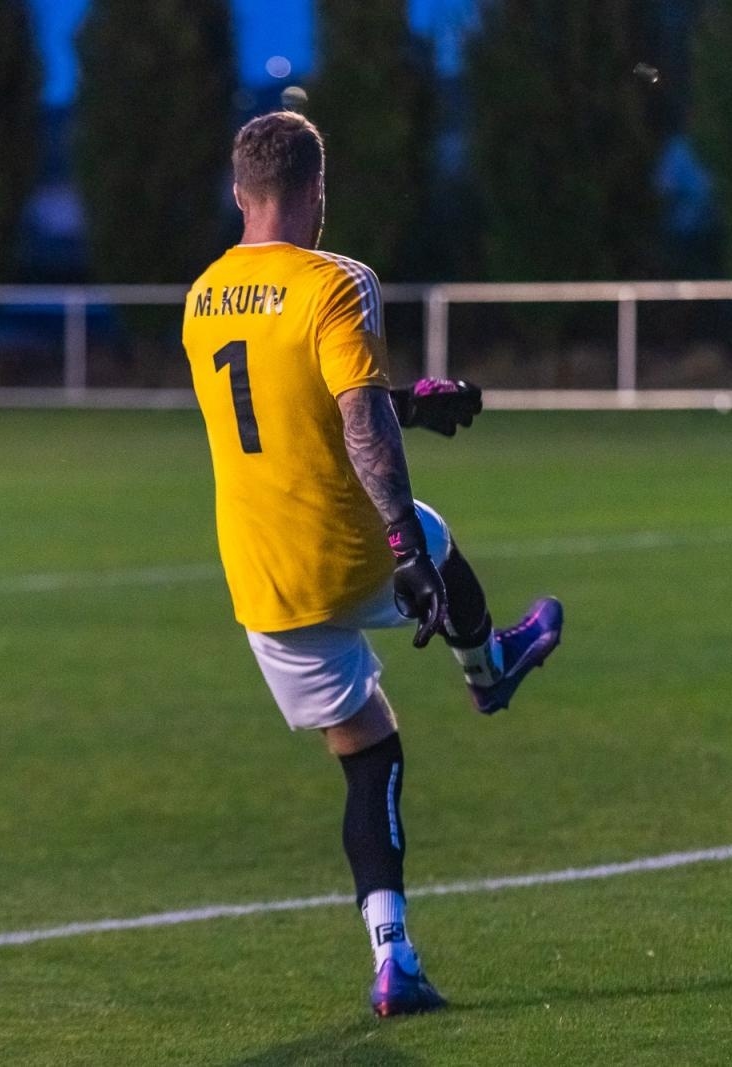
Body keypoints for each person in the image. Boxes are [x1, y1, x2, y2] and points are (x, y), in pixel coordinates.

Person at [180, 111, 564, 1017]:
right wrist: (400, 544)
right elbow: (355, 416)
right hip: (353, 549)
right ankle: (490, 666)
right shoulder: (338, 281)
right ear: (317, 193)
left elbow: (286, 397)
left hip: (265, 583)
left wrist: (411, 402)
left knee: (368, 750)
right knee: (433, 535)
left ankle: (393, 955)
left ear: (241, 195)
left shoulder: (201, 296)